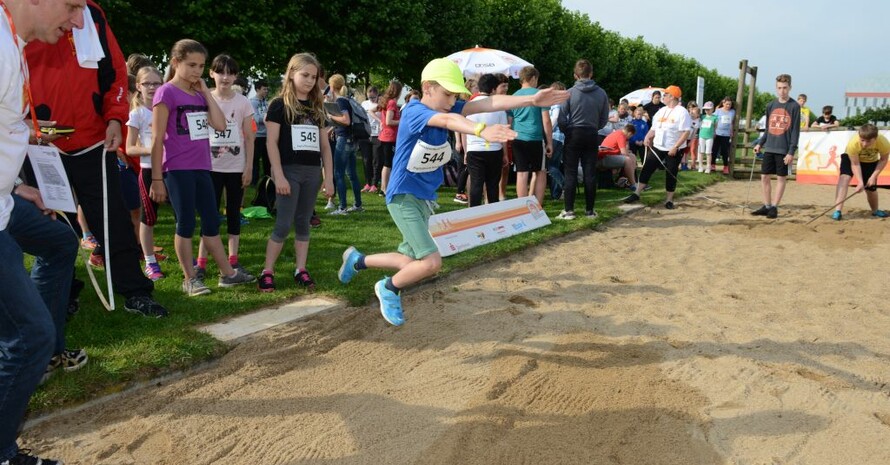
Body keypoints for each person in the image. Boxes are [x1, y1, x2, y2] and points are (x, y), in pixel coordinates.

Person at [337, 58, 568, 326]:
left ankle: (357, 260)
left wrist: (531, 100)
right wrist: (481, 129)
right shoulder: (415, 111)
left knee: (410, 260)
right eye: (447, 93)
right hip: (403, 196)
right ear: (427, 88)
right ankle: (389, 289)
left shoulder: (447, 104)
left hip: (424, 198)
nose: (452, 100)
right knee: (431, 262)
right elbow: (448, 119)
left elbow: (488, 103)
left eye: (455, 94)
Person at [27, 0, 169, 317]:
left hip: (93, 138)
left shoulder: (92, 13)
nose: (77, 20)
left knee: (112, 218)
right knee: (51, 223)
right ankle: (60, 294)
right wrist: (27, 127)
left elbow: (115, 70)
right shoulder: (15, 16)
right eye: (70, 9)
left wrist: (116, 118)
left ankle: (134, 290)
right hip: (40, 144)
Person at [1, 1, 86, 464]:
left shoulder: (12, 40)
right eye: (72, 6)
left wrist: (15, 186)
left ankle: (35, 342)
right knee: (29, 335)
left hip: (5, 200)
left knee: (58, 242)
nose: (76, 22)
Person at [149, 39, 256, 296]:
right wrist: (156, 178)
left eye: (201, 66)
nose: (197, 71)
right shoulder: (165, 92)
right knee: (185, 222)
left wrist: (206, 92)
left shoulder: (199, 94)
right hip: (177, 167)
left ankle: (227, 274)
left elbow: (219, 124)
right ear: (175, 63)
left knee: (211, 221)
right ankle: (190, 278)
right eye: (191, 65)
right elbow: (156, 138)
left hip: (202, 166)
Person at [258, 53, 334, 291]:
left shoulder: (316, 107)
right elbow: (271, 142)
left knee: (303, 222)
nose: (310, 81)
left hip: (312, 172)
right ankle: (267, 271)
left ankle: (301, 269)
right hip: (289, 171)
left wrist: (328, 177)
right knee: (283, 223)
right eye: (305, 75)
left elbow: (324, 146)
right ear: (291, 73)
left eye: (314, 77)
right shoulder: (278, 104)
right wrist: (278, 174)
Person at [195, 54, 255, 278]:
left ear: (236, 76)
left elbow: (249, 137)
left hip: (235, 167)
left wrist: (248, 167)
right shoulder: (203, 98)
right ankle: (201, 263)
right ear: (211, 73)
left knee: (233, 214)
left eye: (231, 73)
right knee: (208, 215)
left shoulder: (243, 102)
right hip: (209, 168)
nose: (225, 77)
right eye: (221, 72)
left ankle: (233, 261)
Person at [555, 59, 610, 220]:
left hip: (574, 133)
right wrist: (595, 127)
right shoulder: (601, 93)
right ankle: (589, 211)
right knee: (590, 173)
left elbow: (561, 117)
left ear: (575, 75)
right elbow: (604, 118)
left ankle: (569, 211)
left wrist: (568, 130)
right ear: (591, 74)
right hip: (592, 133)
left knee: (570, 172)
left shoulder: (570, 92)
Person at [126, 66, 167, 281]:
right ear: (138, 86)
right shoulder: (138, 113)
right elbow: (129, 148)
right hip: (149, 171)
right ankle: (150, 261)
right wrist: (153, 149)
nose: (152, 87)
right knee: (148, 218)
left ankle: (193, 262)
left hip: (172, 169)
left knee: (183, 216)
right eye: (147, 83)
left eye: (156, 83)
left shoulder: (168, 107)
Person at [623, 85, 691, 210]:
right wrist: (647, 137)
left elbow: (686, 132)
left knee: (671, 172)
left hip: (673, 148)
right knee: (647, 167)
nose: (663, 97)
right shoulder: (661, 111)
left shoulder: (682, 112)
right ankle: (636, 193)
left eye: (665, 95)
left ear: (672, 97)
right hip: (658, 146)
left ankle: (669, 200)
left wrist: (675, 147)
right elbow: (654, 128)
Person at [750, 74, 801, 219]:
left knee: (781, 178)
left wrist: (791, 151)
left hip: (784, 149)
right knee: (764, 176)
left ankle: (774, 207)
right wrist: (760, 143)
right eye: (779, 88)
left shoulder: (795, 107)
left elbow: (795, 131)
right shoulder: (770, 105)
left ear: (790, 88)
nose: (782, 91)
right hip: (770, 147)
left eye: (785, 88)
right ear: (776, 88)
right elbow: (768, 128)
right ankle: (766, 205)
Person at [510, 66, 552, 207]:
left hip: (518, 138)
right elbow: (546, 120)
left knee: (521, 173)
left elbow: (510, 121)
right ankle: (538, 205)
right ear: (533, 78)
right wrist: (550, 142)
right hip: (535, 138)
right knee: (540, 172)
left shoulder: (513, 97)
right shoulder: (539, 95)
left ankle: (522, 207)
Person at [465, 73, 510, 207]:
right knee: (492, 184)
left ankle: (474, 212)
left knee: (476, 184)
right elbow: (503, 133)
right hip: (494, 150)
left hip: (474, 150)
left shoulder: (468, 106)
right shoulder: (498, 107)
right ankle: (493, 213)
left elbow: (463, 129)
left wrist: (466, 150)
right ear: (493, 89)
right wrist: (505, 154)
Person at [829, 124, 888, 220]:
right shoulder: (853, 143)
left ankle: (875, 211)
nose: (864, 144)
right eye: (862, 140)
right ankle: (838, 211)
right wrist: (860, 182)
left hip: (870, 161)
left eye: (868, 141)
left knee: (870, 188)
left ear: (875, 138)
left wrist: (873, 176)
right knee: (844, 178)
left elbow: (883, 160)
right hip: (851, 160)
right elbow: (855, 164)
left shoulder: (883, 142)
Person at [327, 74, 363, 214]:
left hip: (343, 140)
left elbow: (346, 120)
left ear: (331, 86)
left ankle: (342, 207)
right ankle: (358, 204)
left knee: (339, 174)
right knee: (352, 174)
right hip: (352, 140)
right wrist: (332, 128)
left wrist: (330, 116)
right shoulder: (347, 99)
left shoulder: (340, 101)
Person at [377, 80, 403, 196]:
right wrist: (402, 121)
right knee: (388, 164)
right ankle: (384, 188)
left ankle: (384, 187)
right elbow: (389, 121)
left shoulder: (385, 101)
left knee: (387, 163)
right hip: (390, 137)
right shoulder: (392, 103)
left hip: (385, 136)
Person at [598, 124, 639, 191]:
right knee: (628, 160)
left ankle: (626, 180)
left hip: (606, 155)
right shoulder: (621, 136)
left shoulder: (617, 133)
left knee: (632, 156)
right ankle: (633, 184)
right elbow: (623, 152)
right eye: (631, 136)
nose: (629, 138)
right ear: (629, 133)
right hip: (604, 157)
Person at [360, 85, 382, 192]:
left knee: (376, 160)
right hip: (366, 135)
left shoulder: (381, 104)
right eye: (369, 97)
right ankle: (367, 183)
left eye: (373, 97)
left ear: (377, 95)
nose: (371, 99)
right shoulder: (364, 104)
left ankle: (374, 183)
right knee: (366, 160)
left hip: (377, 135)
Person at [548, 81, 566, 200]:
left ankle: (565, 184)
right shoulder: (561, 104)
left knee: (549, 166)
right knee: (554, 166)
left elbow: (554, 119)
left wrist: (547, 131)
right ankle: (556, 194)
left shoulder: (556, 105)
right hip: (559, 138)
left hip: (554, 137)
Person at [250, 79, 270, 187]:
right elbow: (256, 118)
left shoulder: (267, 103)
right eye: (264, 89)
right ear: (257, 89)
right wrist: (267, 118)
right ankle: (253, 181)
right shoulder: (252, 102)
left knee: (267, 160)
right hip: (257, 135)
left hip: (267, 135)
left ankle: (268, 180)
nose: (266, 91)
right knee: (255, 160)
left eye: (267, 89)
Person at [713, 97, 735, 174]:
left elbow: (732, 122)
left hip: (726, 134)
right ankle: (713, 165)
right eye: (727, 104)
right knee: (714, 149)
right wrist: (714, 131)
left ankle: (725, 166)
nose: (728, 105)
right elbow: (714, 120)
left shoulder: (732, 112)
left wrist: (731, 131)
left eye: (730, 104)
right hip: (717, 133)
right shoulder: (718, 111)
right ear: (723, 103)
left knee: (724, 151)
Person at [698, 101, 718, 172]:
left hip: (709, 136)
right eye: (705, 109)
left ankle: (708, 167)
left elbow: (715, 126)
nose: (707, 111)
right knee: (701, 151)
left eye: (708, 109)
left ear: (712, 109)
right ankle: (700, 166)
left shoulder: (715, 117)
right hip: (702, 136)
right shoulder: (702, 116)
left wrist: (713, 133)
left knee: (708, 152)